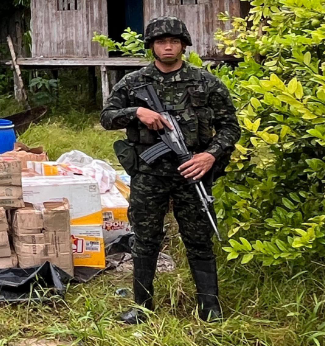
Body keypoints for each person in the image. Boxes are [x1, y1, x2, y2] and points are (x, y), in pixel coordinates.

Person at [100, 17, 240, 324]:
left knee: (199, 238)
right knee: (145, 237)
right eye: (161, 42)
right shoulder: (134, 83)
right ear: (152, 46)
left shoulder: (205, 82)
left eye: (174, 42)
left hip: (193, 173)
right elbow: (107, 118)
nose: (168, 46)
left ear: (183, 45)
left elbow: (231, 127)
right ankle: (142, 307)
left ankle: (209, 307)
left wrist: (210, 156)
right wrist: (135, 111)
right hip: (149, 173)